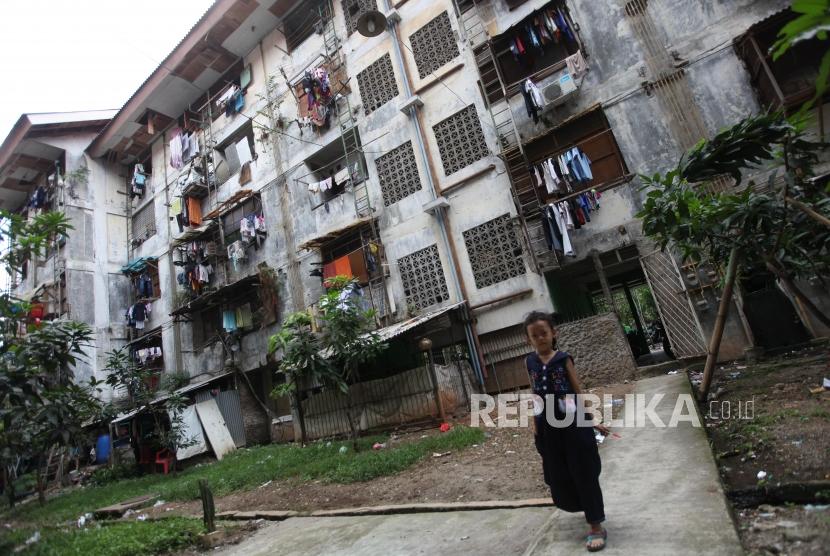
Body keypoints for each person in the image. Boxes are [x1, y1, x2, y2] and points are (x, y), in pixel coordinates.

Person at [525, 310, 609, 552]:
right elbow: (534, 394)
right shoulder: (528, 362)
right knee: (557, 473)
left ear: (553, 334)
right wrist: (535, 425)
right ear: (529, 339)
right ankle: (580, 508)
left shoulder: (563, 359)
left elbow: (576, 389)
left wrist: (591, 419)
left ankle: (596, 526)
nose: (540, 338)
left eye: (544, 333)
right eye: (534, 335)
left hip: (572, 422)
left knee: (583, 470)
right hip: (547, 426)